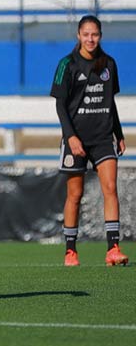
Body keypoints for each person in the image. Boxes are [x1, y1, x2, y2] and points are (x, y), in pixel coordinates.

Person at [51, 15, 127, 267]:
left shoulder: (109, 64)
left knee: (110, 189)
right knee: (75, 194)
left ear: (100, 36)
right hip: (77, 140)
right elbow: (60, 105)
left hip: (103, 137)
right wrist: (70, 136)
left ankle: (113, 249)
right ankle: (70, 251)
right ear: (78, 35)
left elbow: (110, 102)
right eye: (86, 34)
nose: (90, 38)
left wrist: (119, 133)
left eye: (94, 34)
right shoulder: (67, 64)